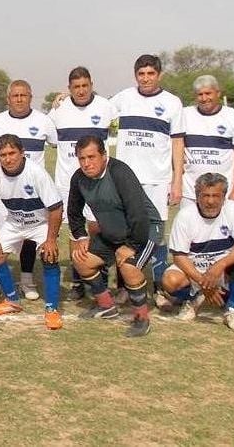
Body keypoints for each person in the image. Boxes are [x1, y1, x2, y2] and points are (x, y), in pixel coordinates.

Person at [68, 135, 163, 337]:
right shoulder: (78, 178)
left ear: (104, 155)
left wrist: (131, 245)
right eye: (82, 158)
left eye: (91, 157)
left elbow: (138, 213)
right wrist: (81, 236)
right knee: (81, 260)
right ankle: (106, 306)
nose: (87, 163)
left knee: (128, 266)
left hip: (144, 230)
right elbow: (73, 212)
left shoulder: (120, 172)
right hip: (112, 233)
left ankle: (142, 319)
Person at [110, 54, 185, 291]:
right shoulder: (122, 99)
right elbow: (97, 112)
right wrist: (64, 101)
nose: (145, 78)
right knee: (125, 231)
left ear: (159, 75)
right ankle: (124, 288)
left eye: (150, 73)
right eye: (141, 74)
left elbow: (177, 144)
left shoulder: (173, 103)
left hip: (157, 180)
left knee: (157, 234)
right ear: (135, 76)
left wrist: (177, 181)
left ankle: (159, 287)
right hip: (126, 180)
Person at [0, 134, 63, 329]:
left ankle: (51, 309)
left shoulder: (37, 173)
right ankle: (12, 300)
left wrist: (50, 240)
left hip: (40, 223)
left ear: (22, 153)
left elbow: (56, 208)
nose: (8, 158)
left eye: (12, 153)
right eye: (3, 155)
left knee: (49, 256)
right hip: (14, 222)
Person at [48, 66, 118, 300]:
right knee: (74, 230)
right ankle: (78, 281)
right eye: (76, 87)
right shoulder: (58, 110)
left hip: (99, 181)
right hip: (69, 182)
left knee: (99, 227)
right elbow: (46, 135)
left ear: (91, 85)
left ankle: (102, 276)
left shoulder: (107, 107)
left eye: (85, 86)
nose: (81, 90)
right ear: (69, 89)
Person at [0, 79, 58, 301]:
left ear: (30, 97)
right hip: (5, 190)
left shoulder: (44, 121)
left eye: (23, 95)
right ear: (8, 98)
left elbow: (58, 144)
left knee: (29, 234)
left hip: (32, 191)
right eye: (15, 95)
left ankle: (27, 280)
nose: (19, 99)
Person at [159, 173, 234, 331]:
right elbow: (179, 257)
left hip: (222, 270)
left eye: (216, 195)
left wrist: (220, 265)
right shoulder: (185, 216)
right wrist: (203, 283)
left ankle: (233, 309)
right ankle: (193, 298)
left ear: (224, 197)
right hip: (194, 269)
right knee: (170, 280)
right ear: (197, 196)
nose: (210, 201)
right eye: (205, 195)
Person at [180, 75, 234, 209]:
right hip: (190, 193)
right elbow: (174, 144)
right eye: (200, 94)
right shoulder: (184, 115)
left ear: (218, 93)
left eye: (208, 93)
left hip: (222, 192)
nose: (204, 98)